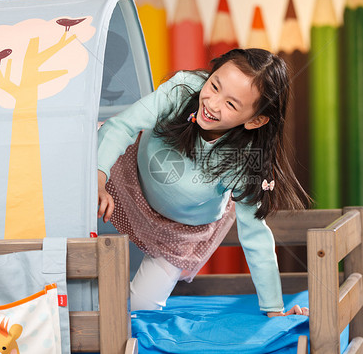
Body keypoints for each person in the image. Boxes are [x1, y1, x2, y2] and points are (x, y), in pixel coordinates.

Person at [97, 48, 310, 317]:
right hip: (132, 178)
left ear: (256, 120)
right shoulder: (183, 91)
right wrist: (98, 177)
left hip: (180, 230)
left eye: (231, 104)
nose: (212, 103)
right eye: (214, 85)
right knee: (91, 149)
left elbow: (256, 236)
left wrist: (274, 309)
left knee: (140, 309)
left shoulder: (245, 161)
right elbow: (122, 126)